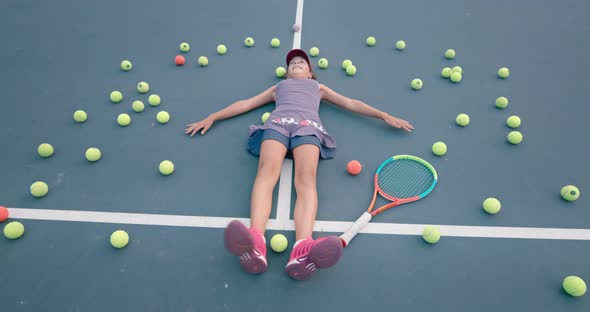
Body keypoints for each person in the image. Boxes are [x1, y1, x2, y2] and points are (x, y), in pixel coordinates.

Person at [185, 49, 413, 280]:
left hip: (308, 127)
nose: (295, 64)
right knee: (266, 174)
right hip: (278, 124)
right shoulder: (278, 88)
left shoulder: (318, 88)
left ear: (310, 73)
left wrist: (383, 115)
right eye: (292, 63)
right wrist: (213, 116)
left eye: (301, 62)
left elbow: (350, 103)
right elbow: (246, 103)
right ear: (286, 73)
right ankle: (256, 241)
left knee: (306, 181)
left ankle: (302, 248)